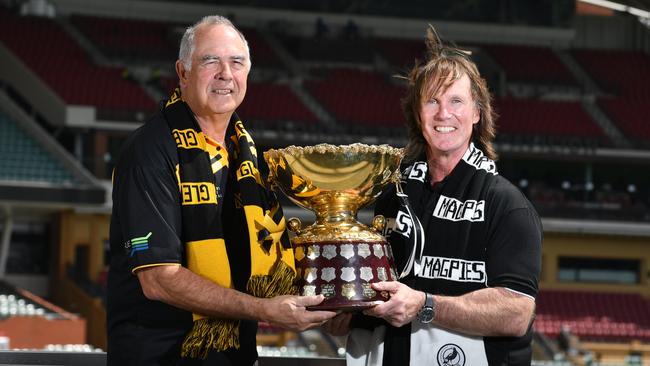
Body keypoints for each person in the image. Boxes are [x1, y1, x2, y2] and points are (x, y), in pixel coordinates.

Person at [107, 15, 336, 366]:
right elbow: (158, 279)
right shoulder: (149, 152)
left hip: (234, 356)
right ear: (183, 73)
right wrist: (262, 309)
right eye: (210, 60)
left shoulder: (248, 155)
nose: (225, 73)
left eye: (237, 62)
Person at [323, 25, 542, 365]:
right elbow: (374, 295)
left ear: (476, 114)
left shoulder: (507, 204)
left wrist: (425, 305)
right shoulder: (392, 194)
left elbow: (516, 313)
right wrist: (346, 309)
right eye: (432, 101)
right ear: (416, 113)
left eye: (456, 101)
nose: (443, 114)